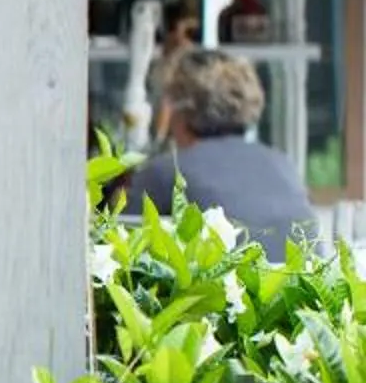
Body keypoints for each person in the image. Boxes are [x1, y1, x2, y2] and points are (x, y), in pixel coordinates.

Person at [123, 45, 314, 260]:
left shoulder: (166, 172)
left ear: (180, 109)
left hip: (228, 292)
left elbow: (119, 252)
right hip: (304, 290)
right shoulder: (283, 165)